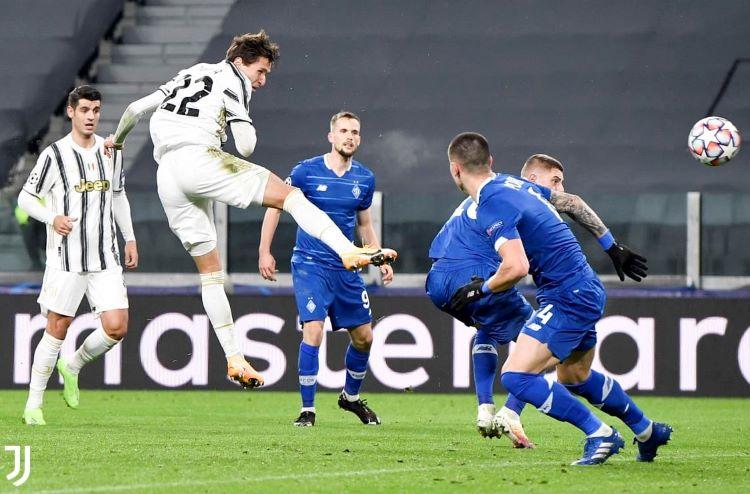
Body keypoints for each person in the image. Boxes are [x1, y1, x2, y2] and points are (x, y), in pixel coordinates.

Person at [104, 31, 396, 389]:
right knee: (291, 197)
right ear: (240, 62)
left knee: (211, 274)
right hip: (200, 159)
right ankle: (347, 249)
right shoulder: (233, 79)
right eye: (260, 71)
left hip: (167, 175)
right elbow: (246, 146)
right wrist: (238, 118)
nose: (262, 80)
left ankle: (234, 358)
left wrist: (117, 142)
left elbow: (134, 110)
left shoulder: (191, 72)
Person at [446, 133, 671, 465]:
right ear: (490, 162)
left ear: (455, 169)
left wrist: (478, 290)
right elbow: (574, 203)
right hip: (582, 288)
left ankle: (600, 434)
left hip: (568, 296)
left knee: (515, 376)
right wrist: (612, 247)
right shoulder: (514, 184)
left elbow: (516, 267)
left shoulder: (491, 202)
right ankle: (647, 431)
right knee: (574, 376)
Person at [258, 111, 392, 426]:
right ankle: (308, 410)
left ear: (359, 138)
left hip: (346, 267)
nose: (349, 137)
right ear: (331, 136)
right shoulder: (305, 172)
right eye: (343, 131)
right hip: (311, 263)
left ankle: (350, 398)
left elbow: (364, 225)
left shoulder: (364, 178)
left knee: (365, 338)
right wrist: (264, 250)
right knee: (314, 329)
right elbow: (275, 206)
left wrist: (378, 257)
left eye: (355, 132)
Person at [19, 85, 138, 425]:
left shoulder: (110, 150)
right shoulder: (55, 155)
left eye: (95, 110)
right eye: (84, 109)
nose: (90, 116)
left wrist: (129, 238)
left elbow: (118, 195)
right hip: (66, 259)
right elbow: (26, 198)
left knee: (117, 327)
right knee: (57, 328)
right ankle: (33, 405)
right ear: (71, 111)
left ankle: (72, 366)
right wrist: (52, 218)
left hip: (105, 256)